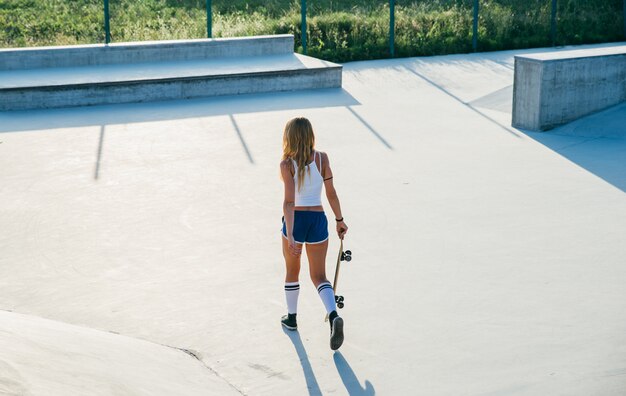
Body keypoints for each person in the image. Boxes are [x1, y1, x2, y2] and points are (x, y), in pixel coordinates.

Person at [279, 116, 348, 351]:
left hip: (296, 220)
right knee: (319, 276)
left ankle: (292, 318)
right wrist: (339, 220)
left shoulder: (286, 165)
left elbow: (289, 202)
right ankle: (333, 314)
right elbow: (331, 194)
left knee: (292, 270)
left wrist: (290, 234)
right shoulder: (322, 159)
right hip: (318, 219)